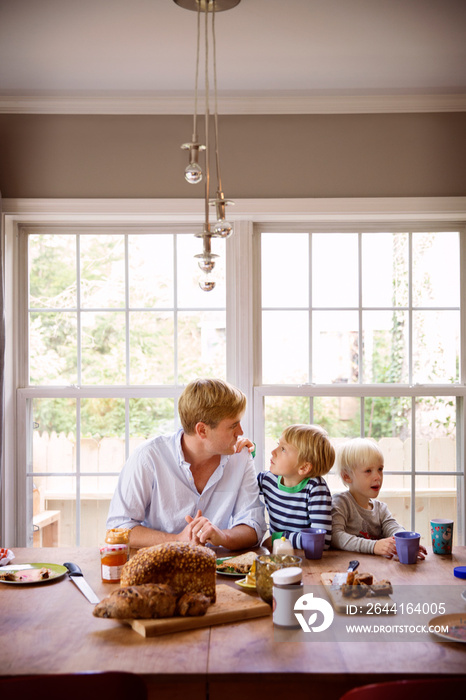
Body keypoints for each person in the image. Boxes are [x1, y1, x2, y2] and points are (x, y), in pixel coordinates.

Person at [107, 378, 267, 551]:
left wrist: (222, 536)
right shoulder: (148, 457)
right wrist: (177, 539)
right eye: (233, 425)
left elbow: (254, 526)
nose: (241, 432)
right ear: (202, 430)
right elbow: (118, 529)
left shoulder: (240, 457)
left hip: (218, 569)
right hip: (158, 566)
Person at [331, 437, 427, 558]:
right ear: (346, 477)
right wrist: (373, 546)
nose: (377, 477)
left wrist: (406, 541)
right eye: (368, 471)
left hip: (377, 570)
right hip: (347, 568)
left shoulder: (381, 509)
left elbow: (393, 528)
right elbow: (336, 536)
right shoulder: (341, 503)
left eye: (380, 469)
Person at [257, 424, 334, 550]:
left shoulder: (316, 488)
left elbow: (321, 540)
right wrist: (247, 454)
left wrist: (279, 537)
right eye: (278, 444)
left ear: (303, 467)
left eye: (283, 449)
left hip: (306, 556)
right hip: (279, 555)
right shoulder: (266, 480)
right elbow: (241, 487)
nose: (273, 452)